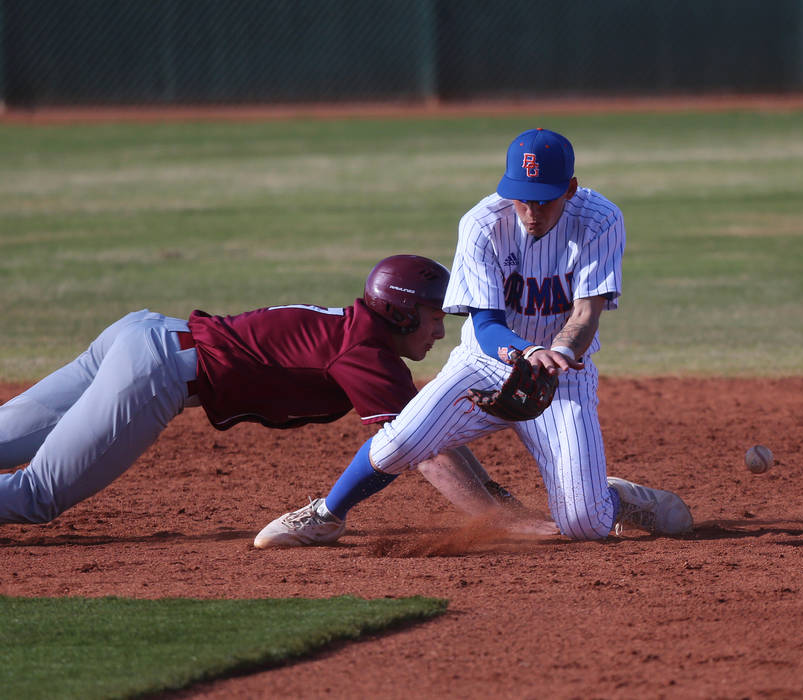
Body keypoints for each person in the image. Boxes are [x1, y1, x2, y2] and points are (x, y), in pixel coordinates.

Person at [254, 128, 692, 547]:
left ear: (570, 189)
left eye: (543, 200)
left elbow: (585, 314)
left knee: (584, 524)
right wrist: (527, 351)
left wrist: (556, 353)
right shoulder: (483, 224)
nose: (531, 212)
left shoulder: (599, 220)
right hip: (485, 364)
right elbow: (485, 327)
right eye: (522, 199)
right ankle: (325, 516)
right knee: (402, 441)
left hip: (562, 376)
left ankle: (609, 496)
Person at [0, 255, 531, 530]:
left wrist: (492, 495)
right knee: (38, 497)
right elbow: (427, 451)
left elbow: (425, 424)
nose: (440, 332)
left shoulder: (359, 333)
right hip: (154, 372)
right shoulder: (364, 353)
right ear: (398, 312)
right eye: (433, 319)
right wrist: (494, 522)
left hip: (140, 335)